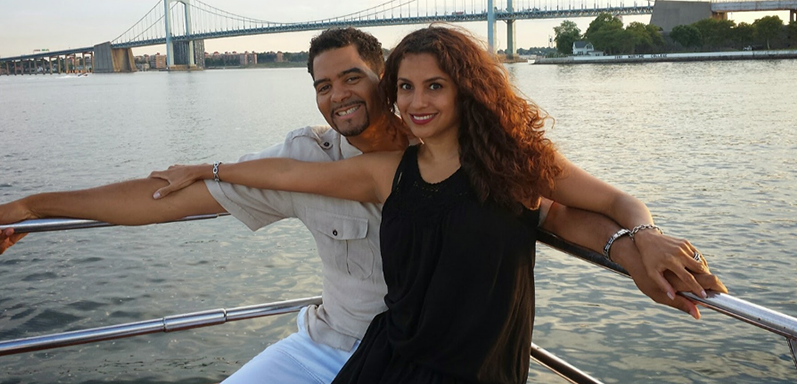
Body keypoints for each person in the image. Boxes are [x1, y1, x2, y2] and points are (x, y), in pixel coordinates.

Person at [147, 25, 726, 383]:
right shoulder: (391, 170)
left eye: (434, 86)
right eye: (405, 87)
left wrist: (641, 237)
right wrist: (209, 167)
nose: (417, 101)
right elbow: (290, 172)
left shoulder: (517, 164)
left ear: (466, 89)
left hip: (476, 369)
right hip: (391, 358)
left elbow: (610, 200)